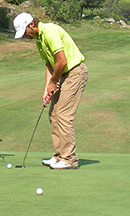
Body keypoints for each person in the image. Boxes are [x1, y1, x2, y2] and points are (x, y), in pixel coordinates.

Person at [13, 12, 88, 169]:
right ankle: (59, 155)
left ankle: (69, 159)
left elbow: (62, 61)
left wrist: (53, 82)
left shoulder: (50, 32)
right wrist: (47, 89)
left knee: (63, 114)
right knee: (53, 113)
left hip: (74, 72)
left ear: (31, 25)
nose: (24, 37)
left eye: (24, 32)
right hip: (61, 74)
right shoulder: (39, 40)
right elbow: (49, 65)